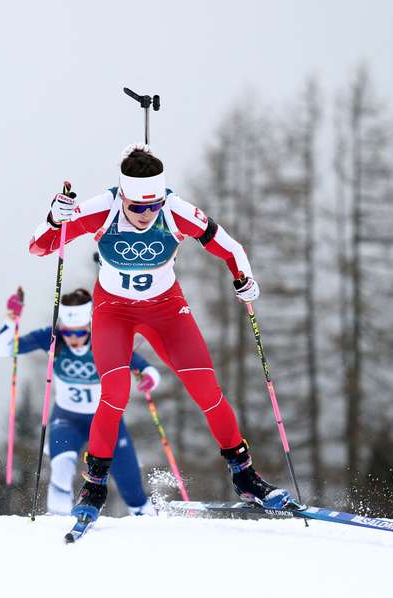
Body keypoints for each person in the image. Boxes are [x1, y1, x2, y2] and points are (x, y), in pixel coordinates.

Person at [28, 144, 295, 522]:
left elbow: (230, 248)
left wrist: (244, 279)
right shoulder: (100, 209)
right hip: (113, 311)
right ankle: (94, 485)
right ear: (123, 196)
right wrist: (55, 219)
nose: (146, 215)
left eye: (153, 206)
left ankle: (245, 476)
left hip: (166, 309)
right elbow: (39, 248)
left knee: (208, 391)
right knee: (115, 392)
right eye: (137, 207)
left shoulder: (174, 211)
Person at [0, 287, 160, 516]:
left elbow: (143, 366)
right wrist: (11, 320)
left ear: (89, 326)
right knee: (61, 470)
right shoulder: (53, 338)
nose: (73, 339)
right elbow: (1, 349)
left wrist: (148, 376)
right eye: (68, 332)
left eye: (79, 333)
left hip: (106, 421)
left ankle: (145, 519)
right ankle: (58, 521)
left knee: (131, 488)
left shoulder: (105, 338)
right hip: (67, 419)